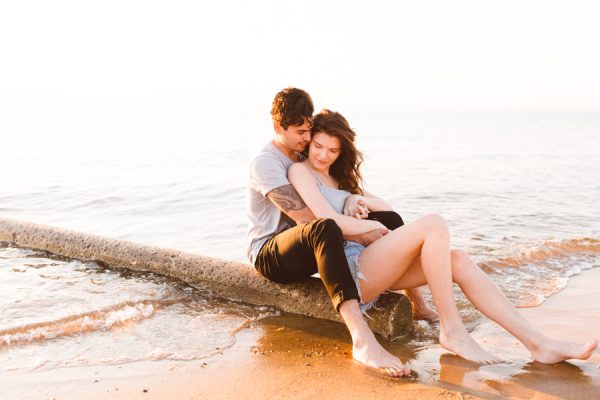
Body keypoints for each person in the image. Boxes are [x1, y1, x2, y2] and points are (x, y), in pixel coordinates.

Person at [287, 108, 598, 369]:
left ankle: (540, 344)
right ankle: (453, 331)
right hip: (351, 270)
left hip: (374, 262)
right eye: (318, 146)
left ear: (343, 151)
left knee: (458, 259)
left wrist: (357, 198)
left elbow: (387, 208)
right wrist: (366, 227)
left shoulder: (341, 177)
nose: (324, 155)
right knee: (434, 224)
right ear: (309, 141)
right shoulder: (301, 172)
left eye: (333, 149)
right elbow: (325, 218)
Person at [248, 87, 414, 377]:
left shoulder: (305, 156)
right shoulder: (266, 163)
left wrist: (353, 203)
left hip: (310, 246)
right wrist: (360, 231)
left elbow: (335, 201)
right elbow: (305, 218)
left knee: (386, 216)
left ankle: (415, 299)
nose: (306, 138)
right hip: (270, 252)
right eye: (300, 132)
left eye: (308, 129)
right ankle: (361, 339)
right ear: (278, 127)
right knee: (324, 227)